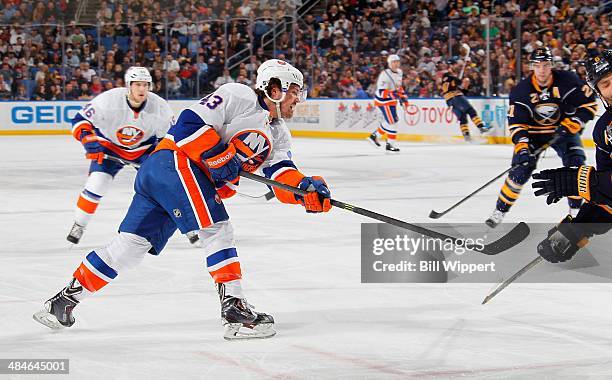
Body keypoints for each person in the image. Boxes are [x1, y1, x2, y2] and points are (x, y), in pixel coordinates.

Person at [34, 60, 332, 340]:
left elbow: (282, 176)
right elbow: (189, 124)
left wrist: (305, 190)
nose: (298, 99)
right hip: (174, 163)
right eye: (294, 92)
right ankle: (235, 310)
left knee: (129, 249)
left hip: (163, 175)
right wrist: (219, 156)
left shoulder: (278, 134)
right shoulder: (238, 95)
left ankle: (62, 302)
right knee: (217, 230)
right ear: (274, 88)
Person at [485, 47, 597, 228]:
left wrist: (575, 121)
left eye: (545, 65)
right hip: (533, 134)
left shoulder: (568, 81)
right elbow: (517, 123)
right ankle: (500, 210)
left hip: (563, 131)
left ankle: (575, 212)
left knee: (576, 167)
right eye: (538, 65)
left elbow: (589, 104)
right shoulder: (521, 91)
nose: (542, 70)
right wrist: (522, 146)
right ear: (532, 67)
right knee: (519, 171)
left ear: (551, 65)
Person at [66, 67, 175, 244]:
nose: (142, 89)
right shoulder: (108, 100)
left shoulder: (161, 106)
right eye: (138, 84)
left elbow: (168, 138)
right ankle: (79, 224)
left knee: (167, 188)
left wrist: (164, 159)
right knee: (96, 185)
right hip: (110, 148)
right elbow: (80, 121)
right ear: (128, 86)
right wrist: (88, 140)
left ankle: (187, 226)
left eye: (146, 85)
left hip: (144, 150)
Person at [530, 50, 612, 263]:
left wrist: (589, 182)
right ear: (600, 93)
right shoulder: (604, 130)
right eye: (606, 84)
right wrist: (579, 229)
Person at [440, 58, 490, 142]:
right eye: (455, 65)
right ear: (452, 65)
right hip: (455, 97)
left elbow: (462, 89)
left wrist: (464, 86)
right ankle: (481, 127)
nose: (457, 66)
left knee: (463, 118)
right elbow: (456, 83)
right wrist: (462, 81)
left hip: (449, 101)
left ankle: (467, 136)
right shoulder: (449, 76)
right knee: (470, 110)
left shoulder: (448, 76)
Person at [367, 54, 408, 152]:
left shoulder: (400, 72)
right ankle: (383, 140)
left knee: (393, 121)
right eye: (393, 62)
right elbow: (381, 92)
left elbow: (398, 87)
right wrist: (394, 95)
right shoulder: (384, 75)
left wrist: (404, 99)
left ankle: (378, 138)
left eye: (397, 61)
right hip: (383, 101)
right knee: (392, 122)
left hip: (391, 101)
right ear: (389, 64)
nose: (396, 64)